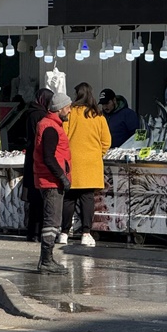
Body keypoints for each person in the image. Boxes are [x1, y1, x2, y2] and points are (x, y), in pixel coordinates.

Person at [60, 82, 111, 247]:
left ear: (77, 94)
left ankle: (63, 233)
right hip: (91, 164)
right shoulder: (98, 115)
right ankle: (86, 233)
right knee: (87, 199)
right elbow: (106, 141)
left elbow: (64, 136)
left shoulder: (71, 113)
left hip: (72, 163)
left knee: (69, 199)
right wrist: (98, 154)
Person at [34, 92, 73, 275]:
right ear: (61, 109)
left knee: (52, 221)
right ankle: (46, 261)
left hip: (49, 180)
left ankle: (46, 260)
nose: (70, 111)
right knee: (52, 222)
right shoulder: (50, 127)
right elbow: (49, 157)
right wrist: (62, 177)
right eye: (68, 107)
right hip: (51, 181)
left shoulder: (50, 125)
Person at [22, 88, 54, 242]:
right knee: (39, 200)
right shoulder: (41, 116)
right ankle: (37, 232)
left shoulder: (30, 113)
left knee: (34, 200)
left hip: (30, 158)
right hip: (38, 159)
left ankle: (32, 232)